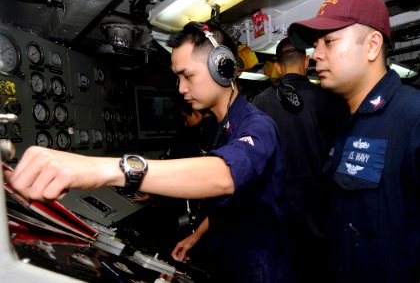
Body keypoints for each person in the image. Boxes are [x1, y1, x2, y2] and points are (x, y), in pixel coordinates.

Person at [5, 21, 293, 282]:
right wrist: (196, 236)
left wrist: (103, 169)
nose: (180, 88)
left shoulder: (258, 126)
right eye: (177, 77)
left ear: (222, 68)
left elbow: (225, 177)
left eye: (187, 75)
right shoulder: (221, 126)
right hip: (227, 255)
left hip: (259, 269)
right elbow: (231, 199)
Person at [287, 0, 420, 283]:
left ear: (372, 46)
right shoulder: (346, 122)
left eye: (329, 41)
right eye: (315, 44)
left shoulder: (413, 118)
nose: (316, 54)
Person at [252, 37, 348, 283]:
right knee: (322, 267)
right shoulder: (330, 98)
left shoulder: (260, 103)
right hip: (321, 202)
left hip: (278, 203)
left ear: (278, 66)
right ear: (306, 61)